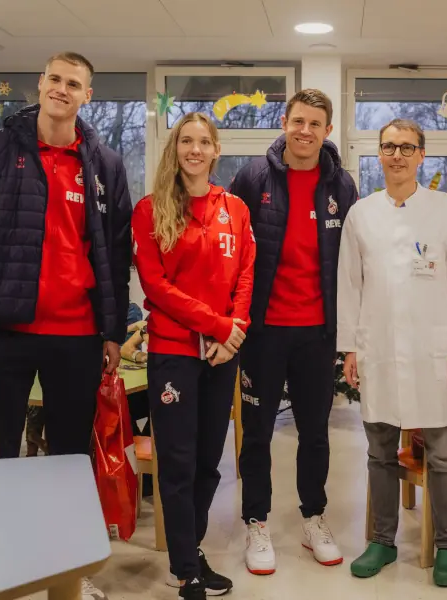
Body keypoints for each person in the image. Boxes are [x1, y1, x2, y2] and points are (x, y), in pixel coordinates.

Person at [0, 51, 131, 600]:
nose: (63, 89)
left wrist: (113, 332)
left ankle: (67, 574)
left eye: (75, 83)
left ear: (87, 95)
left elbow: (114, 258)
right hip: (2, 336)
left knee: (67, 462)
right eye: (55, 79)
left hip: (76, 338)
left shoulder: (105, 164)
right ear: (40, 84)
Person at [337, 119, 447, 587]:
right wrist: (350, 349)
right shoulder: (361, 213)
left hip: (434, 349)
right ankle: (381, 541)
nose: (396, 155)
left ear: (422, 155)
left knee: (442, 455)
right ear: (379, 154)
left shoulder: (446, 208)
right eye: (388, 147)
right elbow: (349, 286)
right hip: (377, 348)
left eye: (406, 147)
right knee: (379, 452)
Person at [229, 88, 356, 573]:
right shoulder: (253, 177)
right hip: (263, 332)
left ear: (327, 131)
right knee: (257, 433)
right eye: (298, 121)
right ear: (284, 122)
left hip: (317, 333)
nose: (305, 131)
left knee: (314, 433)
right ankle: (256, 522)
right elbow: (235, 249)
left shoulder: (340, 185)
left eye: (315, 124)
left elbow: (351, 262)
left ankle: (313, 517)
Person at [132, 112, 256, 600]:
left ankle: (193, 548)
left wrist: (235, 332)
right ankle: (184, 570)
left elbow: (246, 272)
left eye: (204, 142)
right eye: (187, 141)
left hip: (221, 356)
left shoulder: (235, 209)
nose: (195, 150)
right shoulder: (150, 209)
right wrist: (219, 325)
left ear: (217, 149)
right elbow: (155, 287)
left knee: (209, 464)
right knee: (178, 462)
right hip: (174, 354)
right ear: (175, 147)